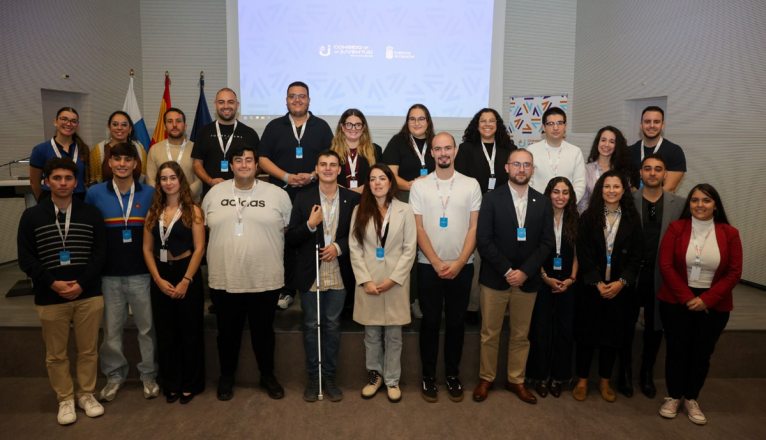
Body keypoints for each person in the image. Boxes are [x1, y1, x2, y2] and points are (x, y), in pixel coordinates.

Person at [17, 158, 107, 425]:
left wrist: (81, 282)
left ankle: (86, 394)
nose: (63, 183)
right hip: (49, 295)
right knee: (56, 354)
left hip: (88, 294)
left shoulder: (91, 213)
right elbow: (26, 258)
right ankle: (65, 398)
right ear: (47, 182)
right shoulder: (31, 216)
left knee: (89, 350)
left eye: (68, 178)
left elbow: (100, 254)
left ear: (76, 182)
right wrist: (52, 282)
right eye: (57, 178)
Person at [201, 144, 292, 402]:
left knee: (264, 333)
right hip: (225, 278)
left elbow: (284, 230)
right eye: (238, 160)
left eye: (249, 160)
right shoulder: (214, 193)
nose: (243, 164)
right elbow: (207, 227)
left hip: (265, 278)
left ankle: (267, 375)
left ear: (257, 165)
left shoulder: (277, 194)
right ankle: (226, 376)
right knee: (227, 334)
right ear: (231, 165)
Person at [473, 148, 555, 404]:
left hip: (528, 281)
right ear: (506, 168)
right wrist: (509, 271)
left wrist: (525, 272)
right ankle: (486, 378)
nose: (521, 169)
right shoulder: (491, 199)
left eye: (526, 165)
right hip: (496, 278)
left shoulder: (542, 201)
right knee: (490, 333)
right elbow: (483, 241)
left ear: (532, 169)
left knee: (521, 334)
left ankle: (516, 380)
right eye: (516, 164)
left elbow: (546, 243)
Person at [657, 184, 741, 425]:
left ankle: (691, 398)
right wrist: (687, 298)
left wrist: (706, 299)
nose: (700, 205)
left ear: (715, 204)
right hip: (676, 299)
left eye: (706, 200)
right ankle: (673, 396)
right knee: (676, 350)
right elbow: (666, 266)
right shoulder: (676, 228)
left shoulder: (730, 233)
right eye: (695, 200)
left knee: (701, 353)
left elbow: (734, 272)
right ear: (689, 204)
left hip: (714, 303)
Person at [409, 132, 481, 403]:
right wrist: (438, 263)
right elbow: (418, 228)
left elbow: (474, 227)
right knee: (429, 322)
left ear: (455, 151)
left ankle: (452, 375)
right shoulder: (420, 185)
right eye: (437, 149)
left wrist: (460, 262)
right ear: (431, 153)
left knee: (456, 323)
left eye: (447, 148)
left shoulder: (470, 184)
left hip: (463, 267)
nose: (442, 153)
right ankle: (428, 377)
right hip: (428, 266)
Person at [84, 143, 159, 402]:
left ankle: (148, 374)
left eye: (128, 159)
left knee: (146, 329)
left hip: (141, 273)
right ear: (110, 163)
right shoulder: (95, 193)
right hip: (109, 275)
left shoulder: (149, 192)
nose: (123, 164)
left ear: (136, 164)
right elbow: (90, 234)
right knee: (111, 330)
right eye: (118, 159)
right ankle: (114, 376)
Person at [286, 150, 360, 402]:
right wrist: (310, 225)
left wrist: (338, 247)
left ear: (340, 169)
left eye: (333, 165)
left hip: (338, 275)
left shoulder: (352, 198)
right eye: (323, 165)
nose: (328, 168)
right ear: (316, 170)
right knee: (310, 326)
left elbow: (358, 236)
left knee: (332, 326)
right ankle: (314, 376)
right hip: (311, 275)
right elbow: (291, 237)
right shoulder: (303, 197)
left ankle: (329, 376)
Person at [258, 81, 334, 310]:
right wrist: (286, 177)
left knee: (312, 238)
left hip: (314, 192)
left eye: (302, 96)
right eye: (293, 96)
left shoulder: (321, 127)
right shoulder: (274, 126)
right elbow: (262, 159)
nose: (297, 100)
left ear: (309, 100)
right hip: (281, 193)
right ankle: (286, 289)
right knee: (285, 242)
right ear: (286, 100)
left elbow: (331, 158)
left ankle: (315, 285)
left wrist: (313, 175)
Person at [573, 170, 643, 403]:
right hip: (592, 288)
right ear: (599, 190)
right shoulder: (588, 217)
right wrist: (597, 282)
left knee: (612, 336)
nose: (611, 191)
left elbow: (636, 256)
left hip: (620, 290)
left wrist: (621, 283)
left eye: (616, 187)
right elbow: (582, 253)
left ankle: (604, 381)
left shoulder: (633, 219)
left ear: (624, 190)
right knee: (586, 334)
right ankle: (582, 380)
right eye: (607, 186)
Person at [350, 164, 417, 403]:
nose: (377, 183)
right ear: (368, 184)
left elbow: (410, 249)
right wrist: (365, 280)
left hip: (396, 282)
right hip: (369, 281)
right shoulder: (359, 209)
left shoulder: (405, 210)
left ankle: (392, 380)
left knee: (394, 335)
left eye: (382, 178)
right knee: (371, 334)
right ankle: (375, 376)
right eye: (372, 179)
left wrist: (393, 279)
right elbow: (354, 248)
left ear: (391, 182)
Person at [620, 154, 685, 399]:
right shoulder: (627, 200)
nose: (653, 173)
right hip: (631, 273)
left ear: (665, 174)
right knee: (626, 324)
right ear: (641, 173)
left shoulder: (679, 204)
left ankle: (646, 373)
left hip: (662, 274)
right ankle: (624, 372)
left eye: (658, 169)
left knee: (655, 327)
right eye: (648, 168)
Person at [142, 162, 206, 404]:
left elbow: (199, 249)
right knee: (166, 332)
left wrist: (185, 281)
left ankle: (191, 382)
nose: (168, 182)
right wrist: (157, 279)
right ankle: (171, 382)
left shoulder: (193, 210)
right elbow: (147, 249)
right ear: (158, 183)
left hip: (186, 272)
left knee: (190, 331)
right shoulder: (153, 211)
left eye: (172, 177)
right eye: (163, 179)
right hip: (160, 274)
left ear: (181, 180)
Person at [455, 108, 517, 326]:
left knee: (501, 256)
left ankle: (502, 305)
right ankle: (472, 306)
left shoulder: (509, 149)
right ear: (477, 124)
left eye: (492, 121)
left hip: (502, 211)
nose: (488, 124)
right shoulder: (466, 149)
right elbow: (460, 182)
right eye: (483, 121)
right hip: (473, 211)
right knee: (475, 259)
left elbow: (515, 181)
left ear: (497, 124)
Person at [525, 177, 578, 399]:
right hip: (542, 280)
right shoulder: (539, 218)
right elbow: (533, 252)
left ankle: (559, 377)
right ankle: (539, 376)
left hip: (568, 282)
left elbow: (578, 254)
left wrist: (572, 279)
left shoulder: (576, 219)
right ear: (548, 194)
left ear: (570, 196)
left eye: (565, 192)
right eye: (556, 192)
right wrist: (545, 277)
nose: (560, 197)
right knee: (540, 330)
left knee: (564, 331)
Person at [383, 103, 436, 319]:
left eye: (421, 119)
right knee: (407, 253)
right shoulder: (398, 142)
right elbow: (390, 175)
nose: (416, 123)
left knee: (429, 250)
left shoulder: (436, 142)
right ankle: (407, 298)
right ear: (407, 122)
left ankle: (423, 299)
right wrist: (413, 185)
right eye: (412, 119)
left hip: (432, 203)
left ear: (428, 121)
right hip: (404, 200)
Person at [192, 88, 260, 199]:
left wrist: (240, 181)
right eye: (221, 102)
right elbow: (196, 164)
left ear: (237, 105)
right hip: (212, 193)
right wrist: (210, 181)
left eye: (230, 102)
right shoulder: (203, 132)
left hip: (243, 193)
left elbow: (258, 165)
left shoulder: (249, 133)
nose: (226, 106)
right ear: (215, 104)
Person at [30, 107, 90, 201]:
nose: (68, 124)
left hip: (79, 199)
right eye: (64, 119)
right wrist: (43, 203)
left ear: (77, 125)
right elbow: (34, 183)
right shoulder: (40, 149)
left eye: (73, 121)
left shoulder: (83, 148)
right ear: (55, 122)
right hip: (51, 199)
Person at [527, 107, 586, 203]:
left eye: (559, 123)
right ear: (543, 127)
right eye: (550, 124)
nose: (555, 127)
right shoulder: (531, 151)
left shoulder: (575, 152)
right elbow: (528, 182)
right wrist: (538, 204)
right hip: (538, 207)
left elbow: (580, 184)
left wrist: (566, 203)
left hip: (566, 209)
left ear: (565, 126)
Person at [146, 107, 202, 202]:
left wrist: (184, 194)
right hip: (164, 205)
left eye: (178, 121)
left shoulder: (196, 148)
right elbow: (150, 180)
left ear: (185, 126)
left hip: (191, 204)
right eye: (170, 121)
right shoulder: (155, 149)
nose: (174, 125)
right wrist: (166, 195)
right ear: (164, 126)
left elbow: (200, 180)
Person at [579, 126, 637, 213]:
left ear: (617, 145)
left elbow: (626, 201)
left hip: (616, 220)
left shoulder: (623, 171)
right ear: (598, 142)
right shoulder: (585, 170)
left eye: (612, 141)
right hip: (591, 220)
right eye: (603, 140)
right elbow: (583, 202)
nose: (606, 144)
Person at [628, 106, 686, 193]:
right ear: (641, 125)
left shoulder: (674, 151)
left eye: (656, 122)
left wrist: (647, 203)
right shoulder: (629, 151)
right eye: (647, 121)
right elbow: (626, 184)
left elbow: (669, 188)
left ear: (662, 125)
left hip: (661, 205)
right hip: (633, 203)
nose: (652, 125)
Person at [330, 108, 383, 194]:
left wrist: (359, 190)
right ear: (342, 127)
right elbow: (325, 176)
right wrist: (345, 192)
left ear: (363, 128)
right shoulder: (330, 150)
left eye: (358, 125)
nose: (353, 128)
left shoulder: (375, 150)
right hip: (338, 197)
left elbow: (379, 177)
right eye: (349, 124)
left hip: (366, 197)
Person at [91, 111, 148, 184]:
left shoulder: (139, 150)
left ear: (130, 129)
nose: (119, 128)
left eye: (124, 125)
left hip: (136, 194)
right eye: (115, 124)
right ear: (109, 128)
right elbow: (93, 181)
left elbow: (144, 179)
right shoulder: (98, 151)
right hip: (106, 194)